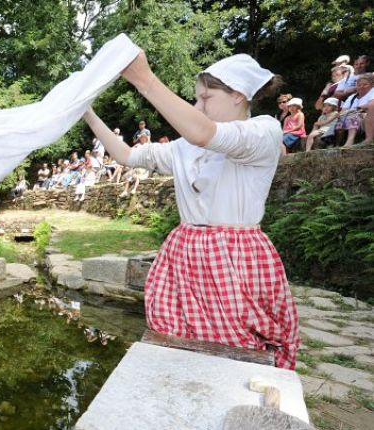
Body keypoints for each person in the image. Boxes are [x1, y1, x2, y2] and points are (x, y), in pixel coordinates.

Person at [82, 50, 299, 369]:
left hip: (235, 257)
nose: (198, 106)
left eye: (205, 97)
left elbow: (204, 132)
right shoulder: (185, 147)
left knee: (236, 351)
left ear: (238, 95)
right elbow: (127, 155)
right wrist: (86, 112)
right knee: (179, 346)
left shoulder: (263, 132)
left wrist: (145, 79)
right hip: (184, 252)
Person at [334, 73, 374, 147]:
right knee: (340, 120)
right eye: (359, 85)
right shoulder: (352, 97)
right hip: (350, 115)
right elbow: (343, 111)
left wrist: (355, 109)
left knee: (353, 118)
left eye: (365, 84)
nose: (361, 87)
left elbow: (371, 105)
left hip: (364, 116)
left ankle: (349, 142)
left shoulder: (372, 92)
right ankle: (337, 144)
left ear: (371, 85)